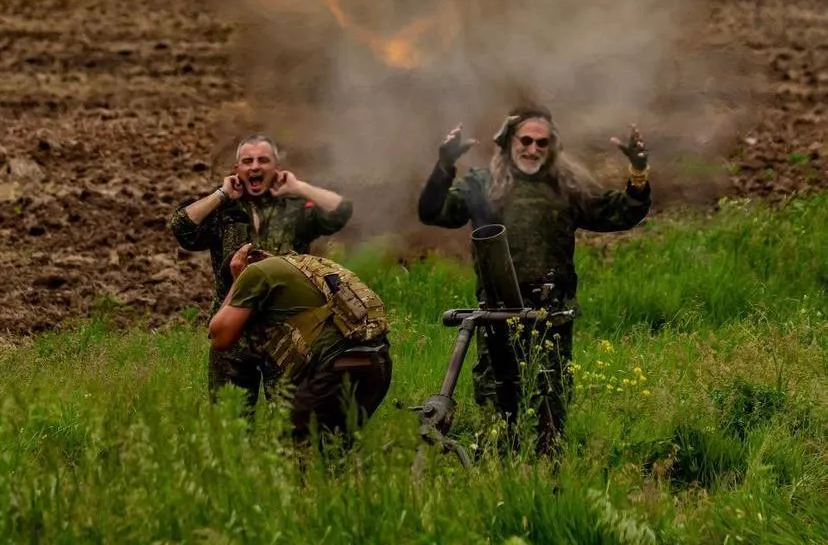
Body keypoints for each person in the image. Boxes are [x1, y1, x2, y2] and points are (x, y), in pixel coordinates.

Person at [417, 105, 651, 459]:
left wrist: (638, 170)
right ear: (509, 141)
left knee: (550, 409)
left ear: (551, 146)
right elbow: (433, 211)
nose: (533, 149)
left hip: (550, 317)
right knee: (498, 409)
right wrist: (444, 164)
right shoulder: (482, 185)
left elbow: (622, 213)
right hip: (498, 316)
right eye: (525, 140)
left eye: (542, 143)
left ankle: (546, 479)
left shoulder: (567, 187)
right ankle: (499, 476)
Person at [170, 134, 353, 411]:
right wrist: (221, 194)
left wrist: (299, 187)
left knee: (290, 418)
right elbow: (181, 228)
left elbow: (341, 211)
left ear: (276, 168)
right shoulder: (224, 211)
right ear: (237, 170)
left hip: (286, 331)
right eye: (248, 161)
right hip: (233, 328)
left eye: (263, 160)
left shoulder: (295, 209)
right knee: (229, 418)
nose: (255, 166)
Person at [209, 243, 391, 449]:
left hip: (337, 367)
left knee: (292, 453)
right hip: (378, 364)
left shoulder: (255, 272)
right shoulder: (306, 266)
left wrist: (238, 281)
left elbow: (220, 337)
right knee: (335, 451)